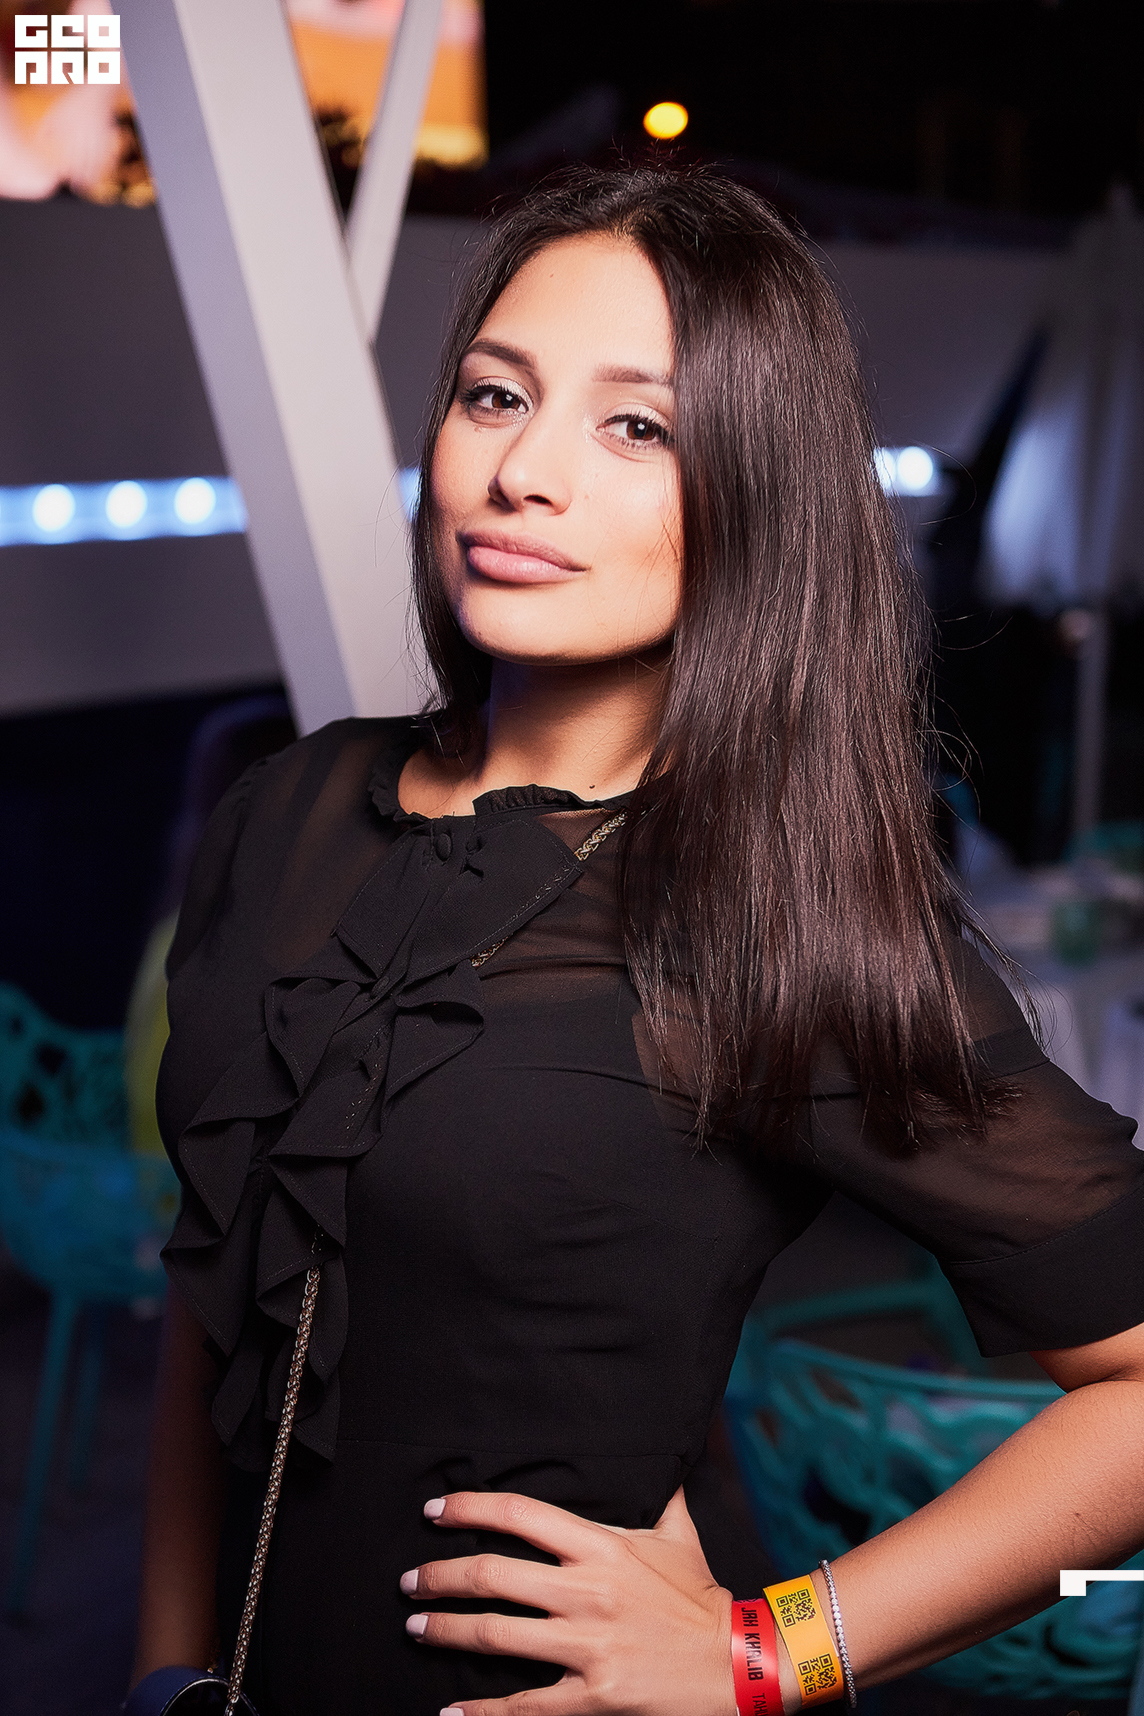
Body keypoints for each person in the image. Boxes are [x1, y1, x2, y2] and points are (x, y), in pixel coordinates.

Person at [130, 166, 1144, 1716]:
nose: (523, 471)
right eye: (495, 395)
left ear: (754, 500)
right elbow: (217, 1302)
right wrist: (160, 1673)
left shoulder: (765, 907)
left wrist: (771, 1652)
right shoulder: (291, 807)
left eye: (636, 427)